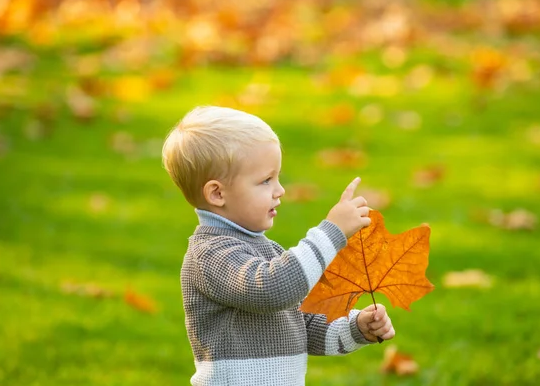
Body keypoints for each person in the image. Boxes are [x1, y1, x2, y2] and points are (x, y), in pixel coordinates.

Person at [162, 106, 395, 385]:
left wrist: (356, 328)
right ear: (217, 193)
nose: (280, 190)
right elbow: (272, 290)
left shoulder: (268, 251)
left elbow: (301, 324)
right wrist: (331, 233)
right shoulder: (210, 254)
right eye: (265, 180)